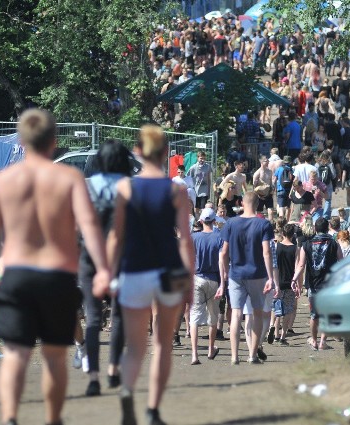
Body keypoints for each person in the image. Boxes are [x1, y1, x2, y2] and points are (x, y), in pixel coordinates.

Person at [0, 109, 111, 425]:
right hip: (57, 276)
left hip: (15, 276)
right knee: (54, 356)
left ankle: (10, 418)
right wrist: (104, 269)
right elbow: (90, 227)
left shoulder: (4, 181)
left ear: (21, 141)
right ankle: (53, 419)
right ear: (54, 141)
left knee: (15, 353)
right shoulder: (69, 178)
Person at [106, 124, 195, 425]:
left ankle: (128, 391)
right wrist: (190, 282)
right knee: (162, 344)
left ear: (138, 152)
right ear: (166, 152)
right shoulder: (176, 190)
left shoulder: (125, 189)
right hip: (168, 274)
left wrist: (107, 273)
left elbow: (115, 238)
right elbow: (185, 239)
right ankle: (153, 410)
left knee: (135, 346)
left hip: (134, 273)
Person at [78, 140, 132, 397]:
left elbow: (81, 225)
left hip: (90, 258)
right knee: (119, 316)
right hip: (121, 258)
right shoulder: (129, 186)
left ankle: (93, 377)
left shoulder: (88, 187)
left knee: (93, 318)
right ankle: (113, 369)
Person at [216, 192, 275, 364]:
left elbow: (223, 253)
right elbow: (267, 252)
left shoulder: (231, 223)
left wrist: (225, 274)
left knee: (236, 314)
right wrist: (270, 277)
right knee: (256, 314)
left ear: (241, 203)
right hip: (257, 274)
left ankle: (234, 356)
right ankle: (252, 355)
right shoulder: (264, 224)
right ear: (258, 204)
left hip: (236, 274)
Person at [291, 218, 342, 350]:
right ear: (327, 227)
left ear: (315, 228)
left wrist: (294, 279)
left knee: (314, 314)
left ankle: (313, 340)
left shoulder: (306, 244)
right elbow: (342, 262)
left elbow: (301, 265)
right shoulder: (334, 243)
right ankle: (323, 342)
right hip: (329, 284)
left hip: (313, 284)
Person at [190, 208, 222, 365]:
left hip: (197, 278)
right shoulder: (220, 237)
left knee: (194, 316)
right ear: (214, 220)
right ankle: (210, 349)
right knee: (213, 316)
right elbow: (223, 261)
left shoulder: (194, 238)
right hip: (214, 279)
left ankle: (195, 354)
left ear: (201, 221)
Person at [273, 223, 299, 345]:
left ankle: (275, 332)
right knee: (288, 309)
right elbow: (297, 267)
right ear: (293, 234)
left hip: (277, 281)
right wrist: (297, 283)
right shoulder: (295, 249)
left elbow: (273, 265)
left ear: (282, 234)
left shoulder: (276, 246)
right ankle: (283, 335)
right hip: (290, 282)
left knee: (277, 308)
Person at [187, 151, 213, 216]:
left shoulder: (207, 167)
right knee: (196, 208)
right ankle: (197, 220)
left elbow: (209, 179)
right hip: (195, 191)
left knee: (203, 208)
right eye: (201, 158)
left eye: (204, 158)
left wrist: (209, 190)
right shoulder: (193, 167)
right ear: (197, 158)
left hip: (204, 190)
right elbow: (188, 177)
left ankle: (202, 221)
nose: (202, 160)